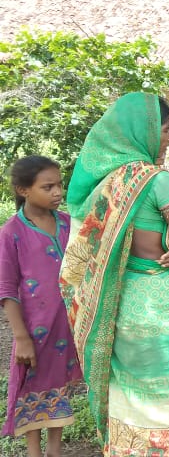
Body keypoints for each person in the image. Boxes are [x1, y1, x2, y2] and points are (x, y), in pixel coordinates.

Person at [59, 92, 169, 454]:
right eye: (166, 129)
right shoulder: (156, 180)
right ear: (144, 133)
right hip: (163, 309)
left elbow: (104, 245)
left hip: (124, 307)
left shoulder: (108, 183)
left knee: (133, 398)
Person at [1, 156, 83, 457]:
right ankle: (34, 452)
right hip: (35, 329)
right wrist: (21, 337)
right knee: (31, 387)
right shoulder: (12, 233)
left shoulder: (67, 223)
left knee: (57, 384)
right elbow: (7, 290)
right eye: (47, 187)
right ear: (24, 190)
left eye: (59, 185)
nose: (57, 192)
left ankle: (54, 451)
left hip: (67, 325)